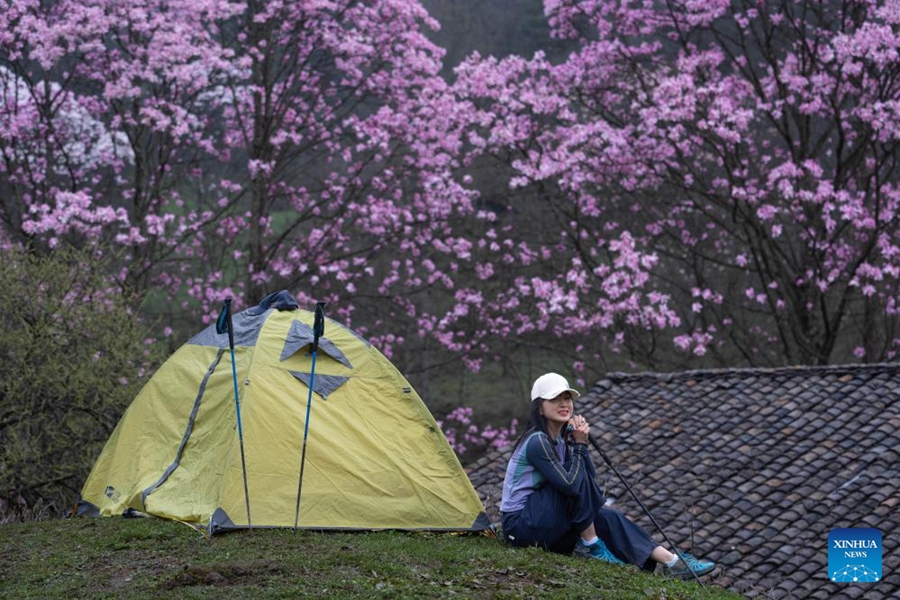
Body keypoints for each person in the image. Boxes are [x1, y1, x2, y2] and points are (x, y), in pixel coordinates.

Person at [499, 372, 715, 580]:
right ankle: (591, 545)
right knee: (574, 478)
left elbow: (589, 477)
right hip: (520, 527)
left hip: (543, 521)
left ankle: (673, 562)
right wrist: (581, 447)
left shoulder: (560, 441)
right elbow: (573, 486)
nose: (564, 404)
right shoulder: (538, 441)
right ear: (539, 408)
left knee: (608, 516)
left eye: (567, 398)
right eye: (555, 399)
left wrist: (577, 443)